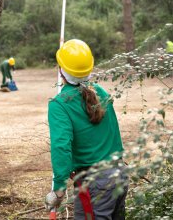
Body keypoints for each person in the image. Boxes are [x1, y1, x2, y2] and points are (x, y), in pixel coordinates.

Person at [45, 39, 128, 219]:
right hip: (119, 173)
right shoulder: (100, 92)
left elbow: (61, 147)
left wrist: (59, 190)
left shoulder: (59, 105)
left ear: (61, 70)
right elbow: (114, 133)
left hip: (95, 183)